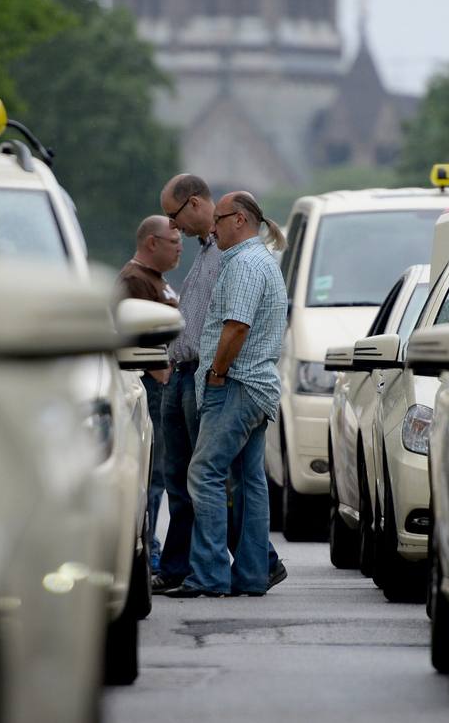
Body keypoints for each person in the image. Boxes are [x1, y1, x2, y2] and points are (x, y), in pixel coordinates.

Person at [153, 174, 285, 595]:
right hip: (253, 383)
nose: (213, 227)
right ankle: (250, 575)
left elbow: (236, 326)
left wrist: (215, 374)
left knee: (205, 472)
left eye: (221, 220)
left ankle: (208, 575)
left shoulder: (244, 263)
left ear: (240, 220)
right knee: (248, 479)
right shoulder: (253, 258)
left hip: (236, 382)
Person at [115, 215, 182, 571]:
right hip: (151, 387)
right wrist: (160, 369)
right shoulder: (133, 280)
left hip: (165, 386)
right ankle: (150, 547)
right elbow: (132, 334)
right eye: (174, 243)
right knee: (153, 474)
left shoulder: (157, 280)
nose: (179, 249)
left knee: (165, 473)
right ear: (151, 243)